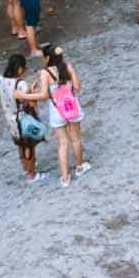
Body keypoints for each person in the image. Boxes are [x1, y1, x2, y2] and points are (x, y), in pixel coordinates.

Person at [0, 51, 44, 183]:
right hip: (23, 120)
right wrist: (32, 90)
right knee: (29, 147)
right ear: (19, 69)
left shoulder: (0, 80)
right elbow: (31, 102)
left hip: (10, 119)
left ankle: (25, 168)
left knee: (20, 145)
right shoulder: (20, 84)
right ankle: (32, 174)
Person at [43, 47, 86, 186]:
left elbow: (44, 95)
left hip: (56, 111)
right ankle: (79, 168)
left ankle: (65, 178)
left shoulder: (45, 73)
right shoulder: (67, 67)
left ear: (47, 58)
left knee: (62, 143)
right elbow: (77, 88)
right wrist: (72, 72)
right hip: (72, 107)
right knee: (76, 139)